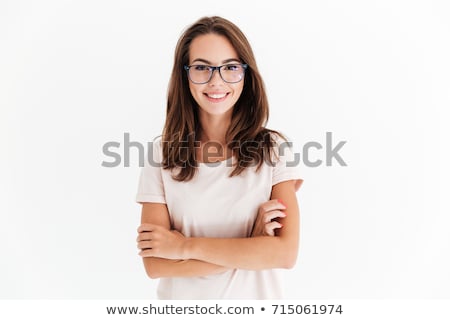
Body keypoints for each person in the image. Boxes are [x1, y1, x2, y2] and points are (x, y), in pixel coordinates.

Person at [135, 16, 303, 299]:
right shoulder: (161, 154)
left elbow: (284, 254)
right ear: (184, 74)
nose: (216, 81)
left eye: (230, 67)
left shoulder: (272, 149)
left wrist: (183, 248)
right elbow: (155, 264)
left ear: (246, 74)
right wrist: (252, 246)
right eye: (201, 68)